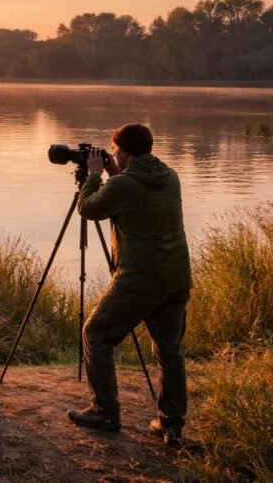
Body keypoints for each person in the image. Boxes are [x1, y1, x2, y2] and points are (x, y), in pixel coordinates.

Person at [68, 123, 192, 447]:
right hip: (177, 278)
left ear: (123, 151)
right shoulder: (171, 176)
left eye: (114, 150)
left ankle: (104, 410)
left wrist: (94, 175)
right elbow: (135, 196)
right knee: (170, 351)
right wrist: (113, 173)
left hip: (141, 278)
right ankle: (171, 426)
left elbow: (88, 207)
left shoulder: (123, 184)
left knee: (95, 333)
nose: (111, 155)